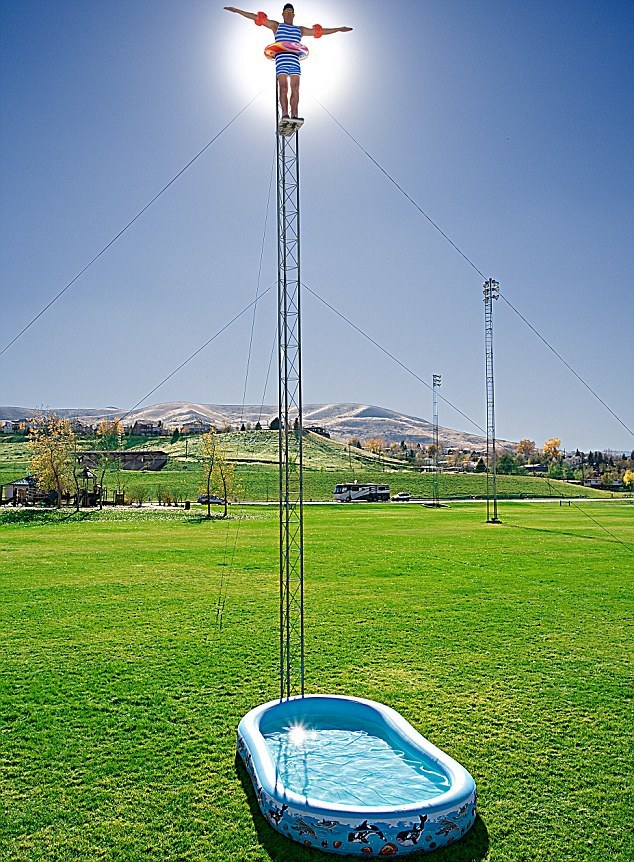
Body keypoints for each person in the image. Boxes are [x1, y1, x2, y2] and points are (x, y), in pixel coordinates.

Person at [224, 5, 352, 124]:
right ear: (283, 14)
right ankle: (285, 115)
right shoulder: (276, 26)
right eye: (286, 12)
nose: (289, 14)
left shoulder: (300, 30)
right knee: (284, 88)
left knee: (295, 89)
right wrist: (237, 11)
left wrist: (339, 29)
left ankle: (294, 115)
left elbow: (319, 32)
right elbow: (256, 17)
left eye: (291, 12)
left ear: (294, 15)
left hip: (295, 61)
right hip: (282, 61)